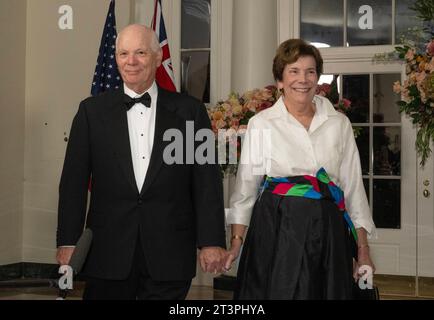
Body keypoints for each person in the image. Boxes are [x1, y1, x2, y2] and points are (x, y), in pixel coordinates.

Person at [56, 24, 226, 300]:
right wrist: (67, 240)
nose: (131, 61)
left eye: (140, 53)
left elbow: (206, 182)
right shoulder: (91, 112)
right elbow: (73, 183)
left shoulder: (190, 112)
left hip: (170, 252)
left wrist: (211, 242)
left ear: (158, 58)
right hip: (107, 252)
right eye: (123, 53)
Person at [224, 39, 376, 299]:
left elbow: (352, 189)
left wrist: (362, 249)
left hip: (329, 231)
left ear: (318, 77)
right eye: (293, 71)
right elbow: (246, 188)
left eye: (310, 71)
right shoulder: (262, 123)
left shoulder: (339, 123)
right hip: (276, 228)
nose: (302, 79)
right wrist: (236, 242)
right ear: (280, 80)